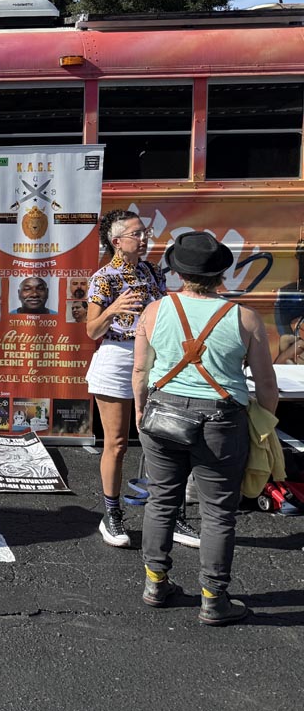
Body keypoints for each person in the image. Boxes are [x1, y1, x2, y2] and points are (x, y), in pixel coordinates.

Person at [132, 230, 278, 625]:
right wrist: (264, 421)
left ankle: (155, 584)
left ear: (179, 273)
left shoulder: (154, 311)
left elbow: (141, 371)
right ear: (221, 274)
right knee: (218, 513)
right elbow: (266, 386)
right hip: (221, 421)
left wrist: (140, 411)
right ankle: (213, 599)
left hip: (162, 415)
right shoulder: (245, 318)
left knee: (161, 501)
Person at [85, 210, 196, 549]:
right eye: (137, 234)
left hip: (153, 358)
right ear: (117, 241)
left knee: (166, 440)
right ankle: (112, 514)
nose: (145, 238)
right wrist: (113, 308)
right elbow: (92, 331)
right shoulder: (103, 278)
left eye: (144, 232)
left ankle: (172, 515)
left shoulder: (152, 271)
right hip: (117, 359)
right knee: (117, 443)